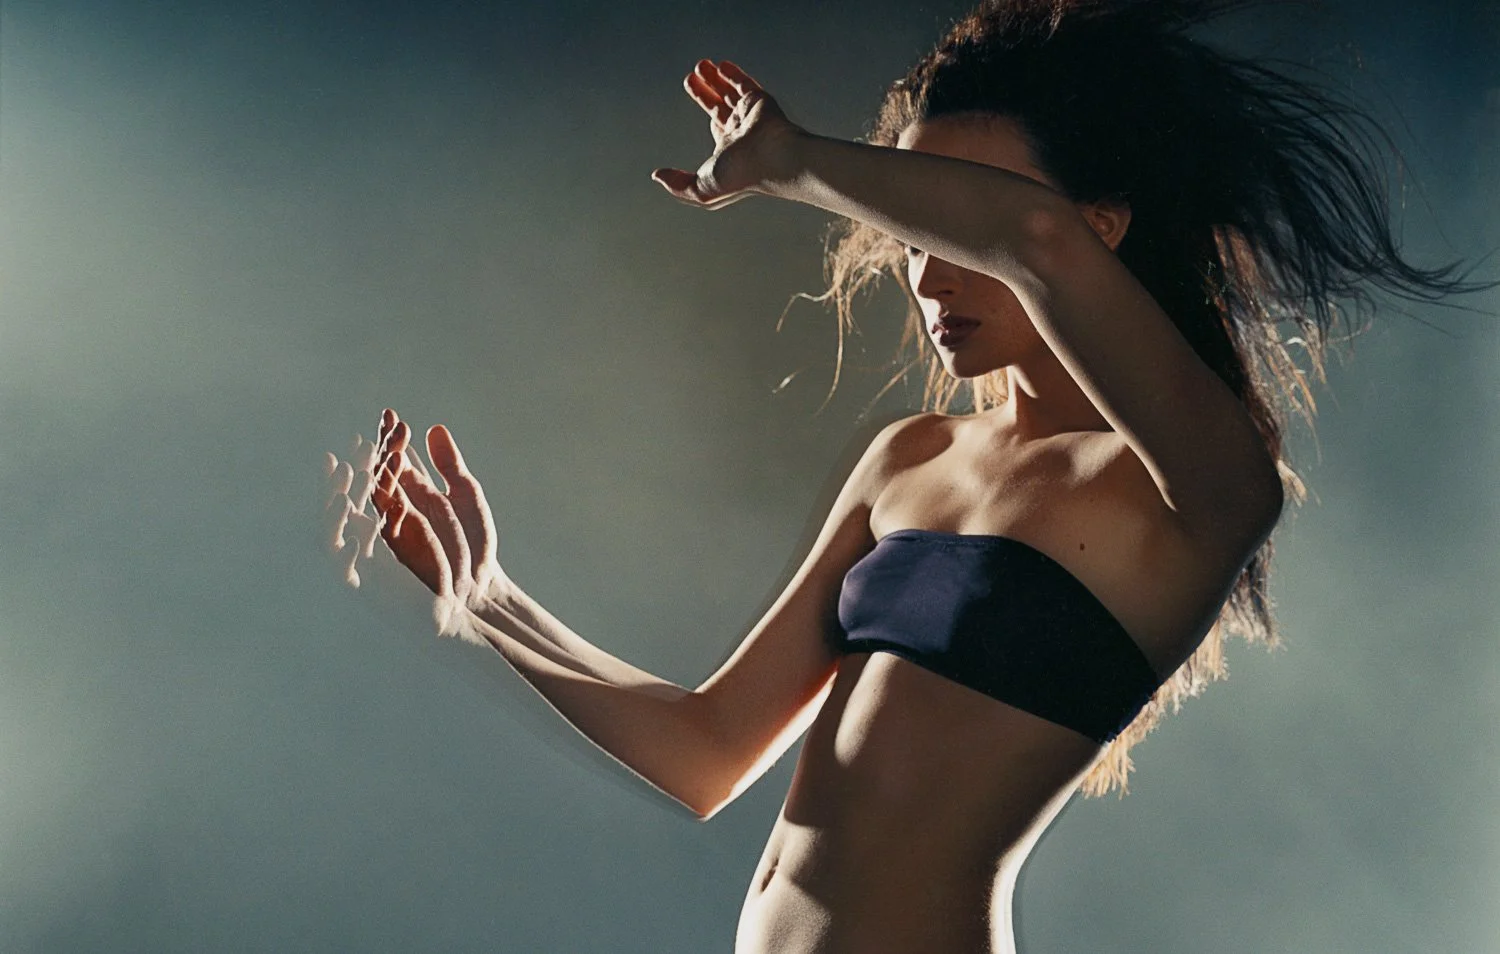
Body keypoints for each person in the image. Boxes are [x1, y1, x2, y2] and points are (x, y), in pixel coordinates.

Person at [331, 1, 1491, 950]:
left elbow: (1031, 243)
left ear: (1098, 227)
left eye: (960, 230)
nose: (931, 277)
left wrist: (795, 163)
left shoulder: (1200, 487)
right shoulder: (913, 459)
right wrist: (488, 607)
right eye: (915, 234)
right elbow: (705, 753)